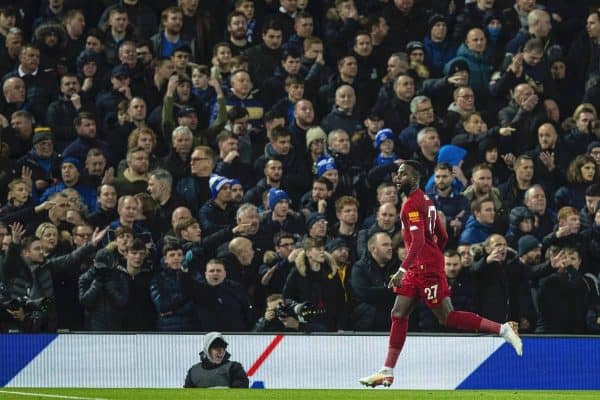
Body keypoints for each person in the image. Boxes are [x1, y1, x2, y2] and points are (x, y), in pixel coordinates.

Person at [359, 160, 522, 388]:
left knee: (447, 317)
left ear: (415, 178)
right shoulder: (429, 201)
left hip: (424, 269)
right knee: (398, 313)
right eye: (397, 174)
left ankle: (503, 329)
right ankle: (387, 370)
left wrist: (402, 269)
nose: (397, 178)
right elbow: (442, 235)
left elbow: (416, 242)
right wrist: (431, 254)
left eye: (403, 174)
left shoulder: (411, 205)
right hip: (420, 267)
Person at [184, 331, 249, 388]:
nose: (220, 351)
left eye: (222, 348)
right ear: (207, 350)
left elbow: (241, 392)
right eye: (215, 348)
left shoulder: (234, 368)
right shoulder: (194, 371)